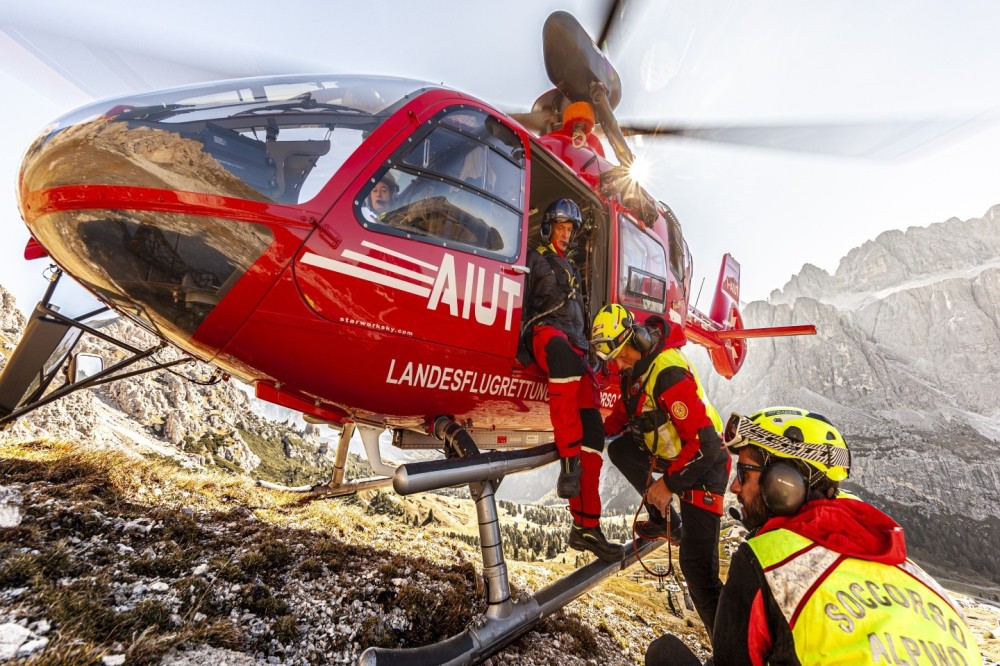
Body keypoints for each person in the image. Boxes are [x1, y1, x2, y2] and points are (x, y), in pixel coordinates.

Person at [647, 407, 983, 665]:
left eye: (744, 472)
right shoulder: (921, 579)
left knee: (664, 653)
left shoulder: (766, 557)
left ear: (783, 484)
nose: (735, 486)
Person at [592, 303, 729, 639]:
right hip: (678, 457)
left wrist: (667, 485)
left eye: (622, 356)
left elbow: (707, 445)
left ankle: (735, 650)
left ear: (636, 339)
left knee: (697, 569)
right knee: (621, 449)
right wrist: (591, 437)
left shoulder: (668, 373)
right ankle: (667, 522)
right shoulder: (637, 369)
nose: (619, 365)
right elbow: (626, 416)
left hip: (706, 467)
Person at [524, 198, 624, 563]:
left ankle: (586, 528)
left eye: (570, 230)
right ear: (549, 227)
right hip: (544, 333)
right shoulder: (533, 258)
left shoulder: (570, 266)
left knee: (594, 433)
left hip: (576, 342)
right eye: (561, 228)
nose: (566, 235)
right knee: (564, 360)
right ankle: (568, 466)